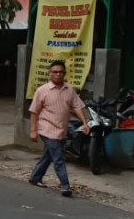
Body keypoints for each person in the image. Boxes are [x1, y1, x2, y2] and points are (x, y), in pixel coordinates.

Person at [29, 60, 90, 197]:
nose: (57, 75)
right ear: (49, 73)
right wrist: (33, 130)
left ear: (64, 73)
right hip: (47, 129)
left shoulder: (69, 90)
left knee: (49, 155)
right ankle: (65, 186)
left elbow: (77, 106)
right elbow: (34, 112)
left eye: (60, 72)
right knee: (58, 158)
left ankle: (35, 177)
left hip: (61, 129)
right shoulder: (42, 91)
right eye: (55, 72)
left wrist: (85, 123)